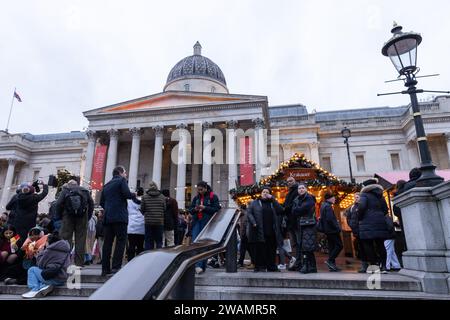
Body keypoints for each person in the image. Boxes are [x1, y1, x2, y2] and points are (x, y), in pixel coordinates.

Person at [99, 165, 135, 276]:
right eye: (125, 172)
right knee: (120, 242)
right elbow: (127, 195)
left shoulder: (106, 185)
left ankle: (105, 269)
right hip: (120, 217)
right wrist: (134, 194)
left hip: (108, 218)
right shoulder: (122, 181)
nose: (126, 174)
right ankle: (115, 267)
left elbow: (101, 202)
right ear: (120, 173)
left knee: (107, 244)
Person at [55, 179, 94, 267]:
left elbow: (58, 204)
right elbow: (91, 203)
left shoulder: (65, 190)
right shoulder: (84, 190)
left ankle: (66, 262)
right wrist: (88, 216)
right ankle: (79, 263)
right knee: (81, 239)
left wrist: (59, 216)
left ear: (68, 184)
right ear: (77, 184)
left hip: (67, 217)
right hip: (82, 217)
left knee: (66, 239)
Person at [21, 232, 71, 299]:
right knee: (42, 273)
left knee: (32, 270)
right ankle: (44, 286)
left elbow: (40, 265)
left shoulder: (50, 249)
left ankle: (34, 289)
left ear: (48, 241)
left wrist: (40, 254)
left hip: (54, 277)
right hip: (63, 278)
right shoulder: (65, 249)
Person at [246, 187, 284, 272]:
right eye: (263, 192)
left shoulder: (272, 203)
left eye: (267, 192)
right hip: (259, 229)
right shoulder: (255, 203)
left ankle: (271, 266)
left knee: (271, 249)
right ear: (261, 193)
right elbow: (249, 213)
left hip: (271, 230)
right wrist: (253, 222)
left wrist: (273, 199)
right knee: (260, 249)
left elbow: (280, 210)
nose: (265, 193)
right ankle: (259, 266)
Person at [358, 178, 390, 274]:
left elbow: (362, 207)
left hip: (367, 223)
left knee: (368, 245)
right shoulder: (381, 196)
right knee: (381, 245)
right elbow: (385, 209)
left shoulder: (364, 195)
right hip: (380, 222)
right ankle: (384, 267)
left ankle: (374, 267)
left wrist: (360, 217)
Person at [188, 181, 221, 274]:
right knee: (196, 243)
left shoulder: (213, 197)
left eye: (201, 189)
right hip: (197, 222)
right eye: (198, 190)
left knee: (204, 244)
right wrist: (195, 209)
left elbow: (217, 209)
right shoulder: (196, 198)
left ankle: (201, 265)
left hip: (207, 223)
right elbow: (190, 209)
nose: (199, 191)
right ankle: (198, 265)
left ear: (205, 188)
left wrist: (205, 208)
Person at [291, 183, 317, 274]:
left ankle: (307, 266)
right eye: (299, 188)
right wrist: (299, 209)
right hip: (300, 225)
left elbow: (303, 208)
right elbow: (293, 211)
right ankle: (312, 267)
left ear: (306, 189)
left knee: (307, 246)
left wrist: (298, 209)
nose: (301, 190)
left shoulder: (309, 197)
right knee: (304, 245)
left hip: (308, 225)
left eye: (302, 188)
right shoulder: (297, 199)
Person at [345, 193, 368, 273]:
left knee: (367, 247)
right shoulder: (352, 208)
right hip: (357, 231)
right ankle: (364, 265)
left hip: (365, 229)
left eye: (358, 197)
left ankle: (372, 264)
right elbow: (348, 218)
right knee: (361, 248)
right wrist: (352, 226)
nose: (356, 198)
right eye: (355, 197)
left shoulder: (364, 205)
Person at [320, 192, 343, 272]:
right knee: (339, 245)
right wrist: (337, 227)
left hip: (327, 230)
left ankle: (332, 266)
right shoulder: (328, 206)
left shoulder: (323, 205)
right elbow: (330, 219)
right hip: (332, 230)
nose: (334, 199)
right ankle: (330, 260)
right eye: (333, 197)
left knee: (332, 247)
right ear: (329, 198)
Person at [141, 181, 166, 250]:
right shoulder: (162, 197)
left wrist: (146, 214)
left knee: (148, 241)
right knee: (159, 241)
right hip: (159, 222)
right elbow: (164, 208)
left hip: (148, 222)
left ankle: (148, 257)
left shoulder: (144, 197)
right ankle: (158, 257)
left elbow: (142, 209)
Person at [283, 176, 299, 270]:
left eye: (291, 181)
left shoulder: (297, 190)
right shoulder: (289, 192)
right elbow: (286, 204)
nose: (289, 182)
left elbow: (291, 205)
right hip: (291, 222)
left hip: (296, 221)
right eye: (288, 181)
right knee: (294, 243)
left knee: (298, 242)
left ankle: (298, 262)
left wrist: (285, 208)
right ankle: (297, 262)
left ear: (295, 181)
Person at [127, 188, 145, 261]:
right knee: (140, 245)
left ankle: (130, 260)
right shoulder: (144, 201)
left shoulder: (129, 201)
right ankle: (139, 261)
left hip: (131, 225)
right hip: (142, 225)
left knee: (131, 244)